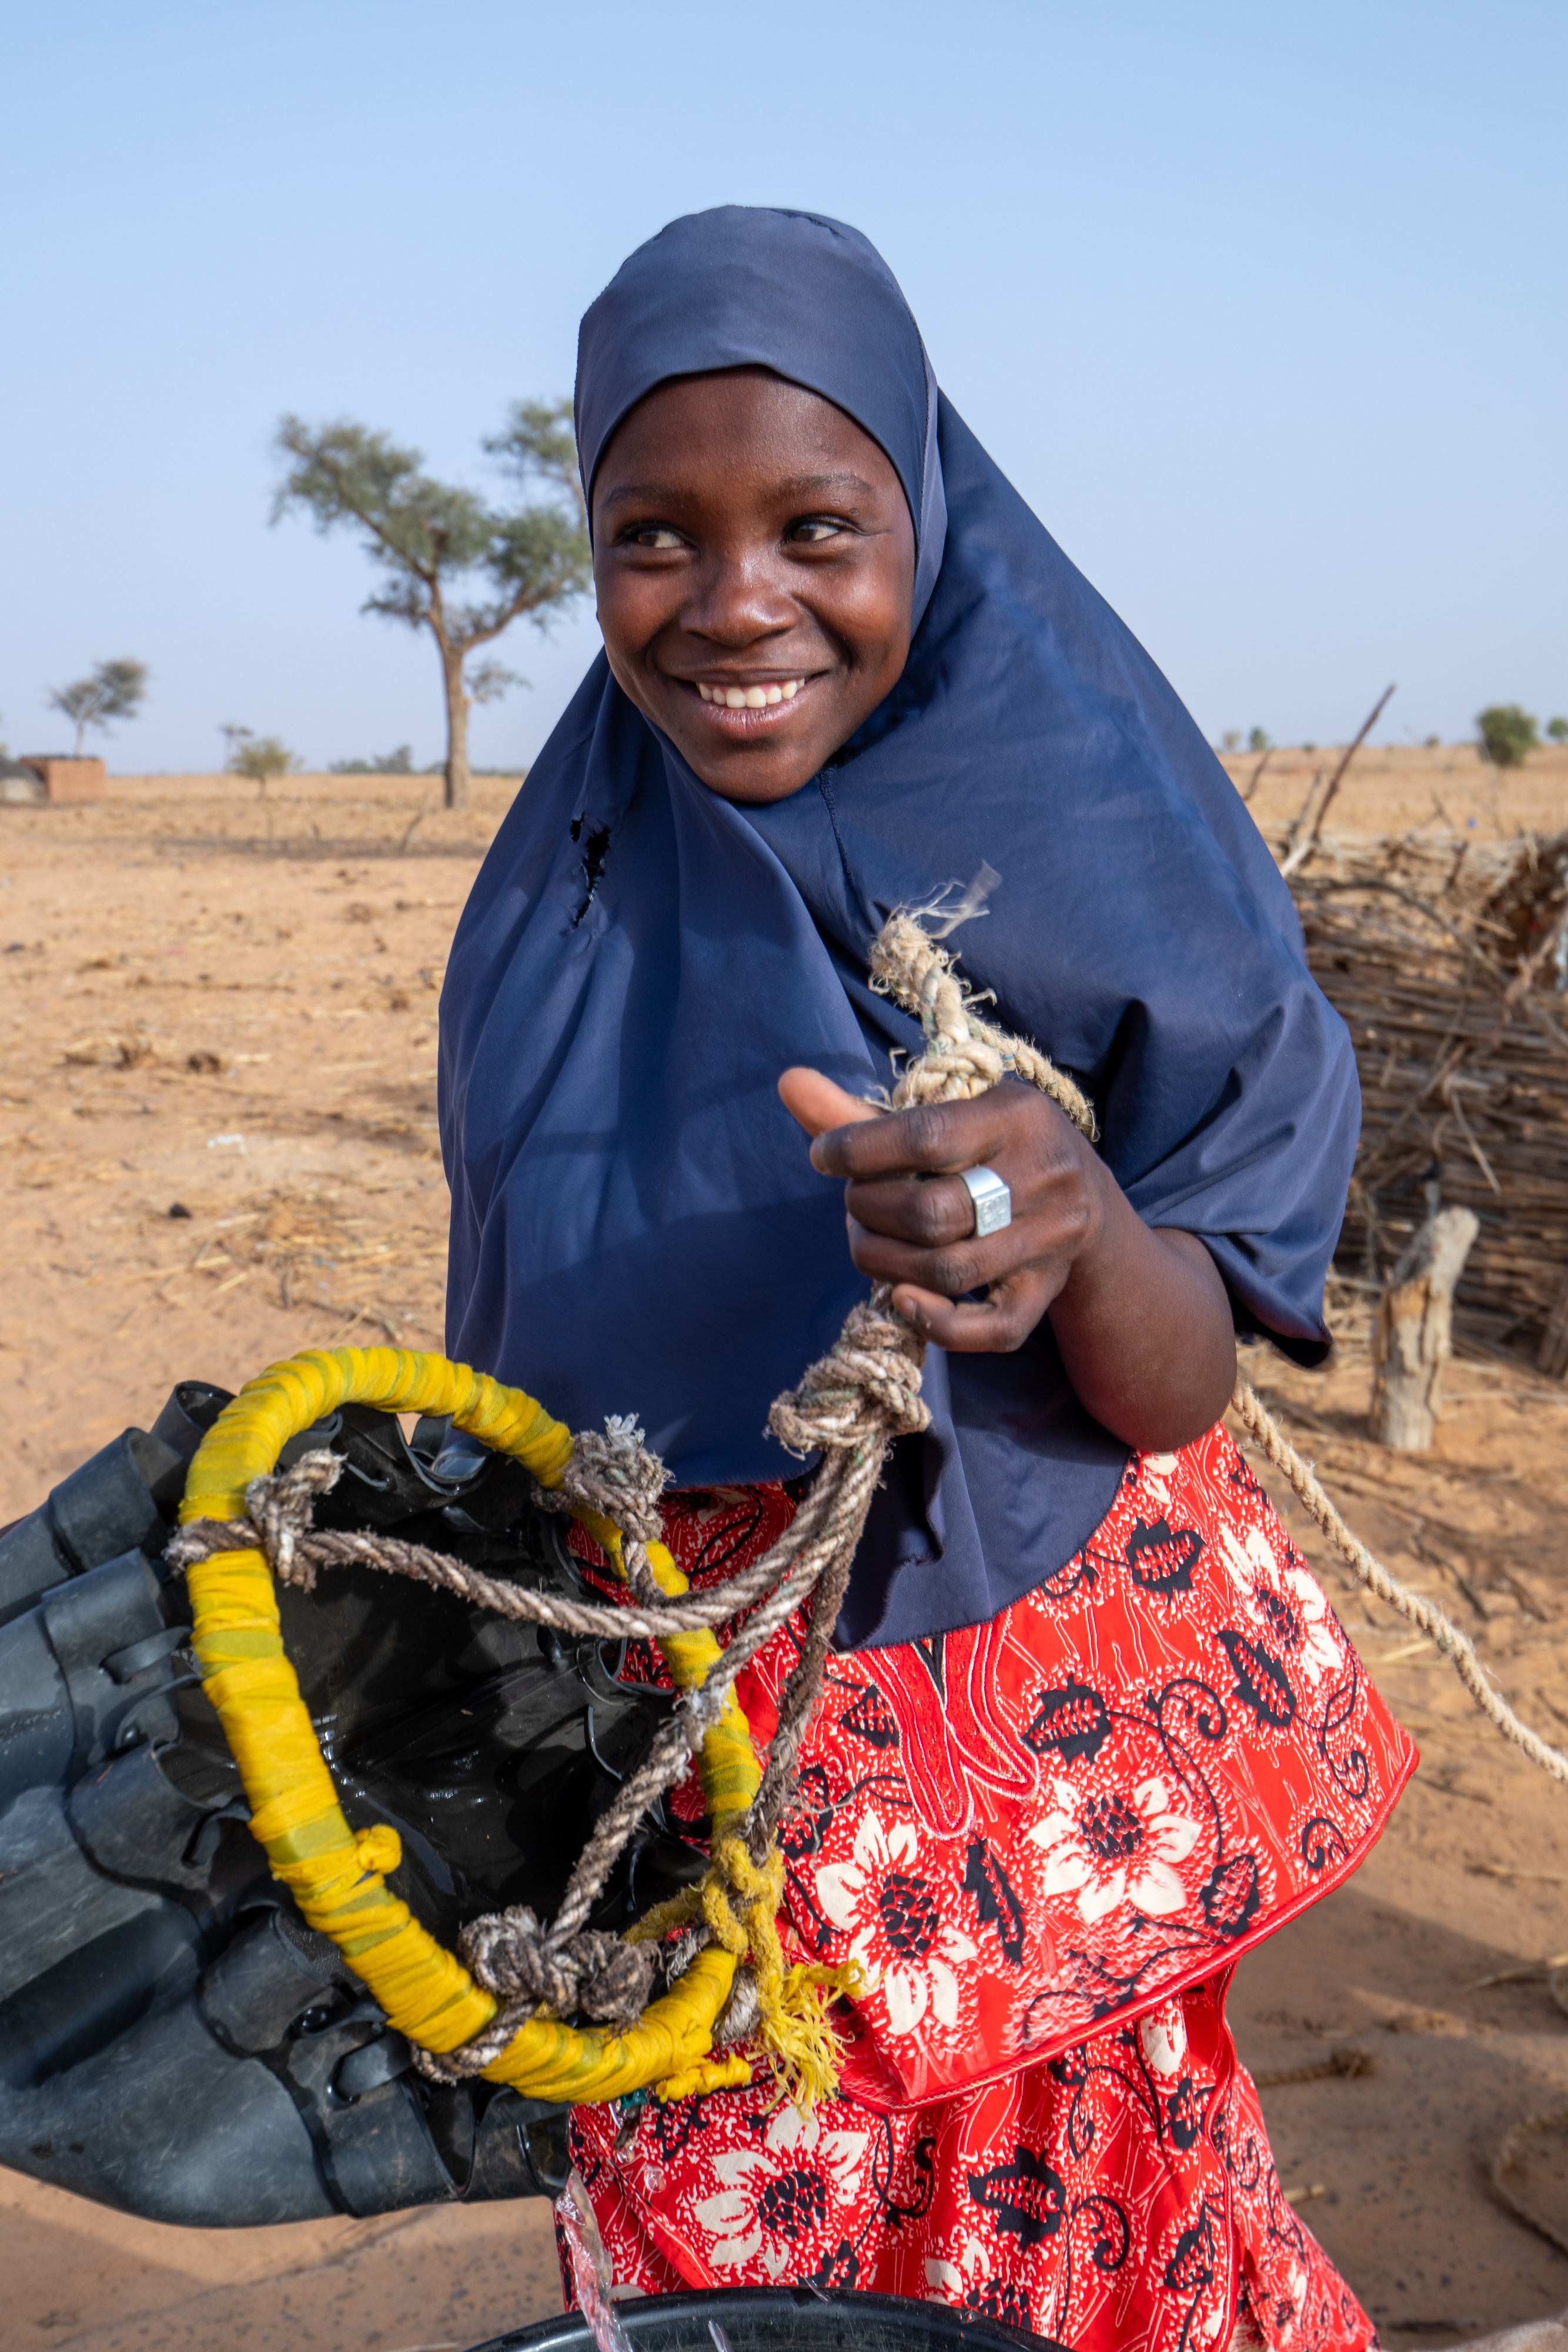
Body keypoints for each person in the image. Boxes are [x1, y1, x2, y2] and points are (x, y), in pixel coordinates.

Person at [439, 206, 1411, 2352]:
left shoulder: (1103, 843)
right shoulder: (571, 876)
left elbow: (1175, 1388)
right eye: (650, 537)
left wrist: (1069, 1208)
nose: (735, 606)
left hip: (1034, 1735)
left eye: (816, 525)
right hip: (690, 1728)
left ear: (925, 513)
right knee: (704, 2249)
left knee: (1051, 2257)